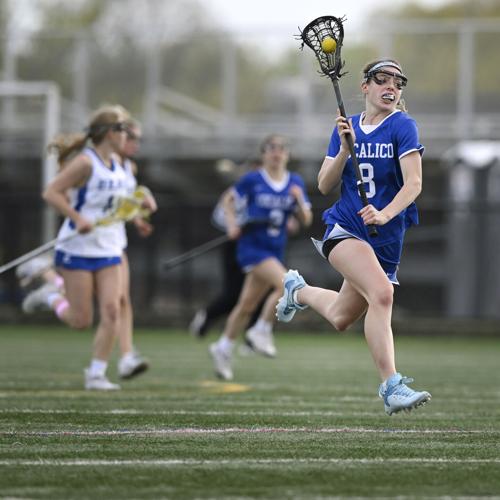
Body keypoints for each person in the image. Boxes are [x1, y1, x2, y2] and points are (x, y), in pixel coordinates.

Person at [275, 59, 432, 416]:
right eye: (382, 79)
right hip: (346, 228)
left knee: (341, 317)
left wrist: (385, 213)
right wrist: (346, 147)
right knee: (382, 294)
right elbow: (324, 184)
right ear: (366, 86)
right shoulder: (347, 128)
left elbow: (414, 183)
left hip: (386, 236)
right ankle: (391, 386)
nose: (391, 86)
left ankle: (297, 290)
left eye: (398, 81)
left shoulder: (403, 126)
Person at [19, 104, 137, 390]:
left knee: (112, 311)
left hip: (109, 249)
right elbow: (51, 192)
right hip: (79, 249)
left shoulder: (124, 166)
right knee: (80, 320)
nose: (128, 134)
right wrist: (77, 217)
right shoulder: (86, 162)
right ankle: (50, 296)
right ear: (109, 133)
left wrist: (142, 207)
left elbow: (122, 205)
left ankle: (96, 373)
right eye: (122, 129)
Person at [209, 134, 313, 380]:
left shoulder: (294, 182)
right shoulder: (253, 179)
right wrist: (232, 224)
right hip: (252, 248)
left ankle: (223, 347)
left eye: (281, 148)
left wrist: (298, 203)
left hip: (275, 248)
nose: (276, 153)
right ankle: (262, 329)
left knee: (246, 305)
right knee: (288, 283)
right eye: (271, 148)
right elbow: (228, 200)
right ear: (264, 154)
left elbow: (306, 220)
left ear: (287, 154)